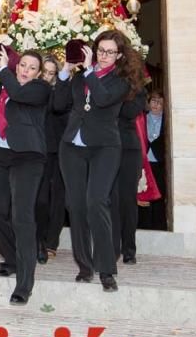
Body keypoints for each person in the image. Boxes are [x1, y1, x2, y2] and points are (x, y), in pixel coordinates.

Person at [54, 30, 146, 293]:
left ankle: (106, 269)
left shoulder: (122, 80)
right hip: (72, 146)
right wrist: (65, 71)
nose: (104, 56)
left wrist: (89, 73)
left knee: (97, 202)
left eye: (110, 52)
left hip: (105, 147)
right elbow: (58, 104)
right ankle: (84, 266)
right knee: (77, 205)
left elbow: (104, 98)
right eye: (101, 50)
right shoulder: (79, 75)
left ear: (119, 55)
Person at [0, 49, 51, 305]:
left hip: (27, 156)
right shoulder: (0, 88)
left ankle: (25, 284)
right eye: (22, 65)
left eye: (31, 67)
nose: (25, 70)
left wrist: (4, 71)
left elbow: (19, 93)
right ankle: (12, 258)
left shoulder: (39, 89)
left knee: (22, 217)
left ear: (38, 73)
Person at [110, 87, 148, 265]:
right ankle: (110, 248)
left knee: (127, 200)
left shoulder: (137, 90)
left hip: (128, 150)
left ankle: (129, 249)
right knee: (107, 200)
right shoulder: (103, 84)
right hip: (104, 148)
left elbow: (130, 111)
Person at [36, 55, 68, 262]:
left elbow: (59, 110)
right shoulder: (31, 91)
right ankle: (38, 240)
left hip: (58, 150)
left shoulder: (60, 93)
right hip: (36, 150)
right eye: (44, 72)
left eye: (51, 73)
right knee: (39, 198)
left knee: (57, 198)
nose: (47, 77)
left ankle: (51, 242)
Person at [140, 90, 168, 231]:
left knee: (158, 196)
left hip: (159, 163)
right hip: (144, 163)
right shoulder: (142, 118)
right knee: (143, 195)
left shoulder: (168, 120)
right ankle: (144, 226)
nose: (157, 104)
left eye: (161, 102)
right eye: (154, 101)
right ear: (149, 102)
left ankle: (158, 227)